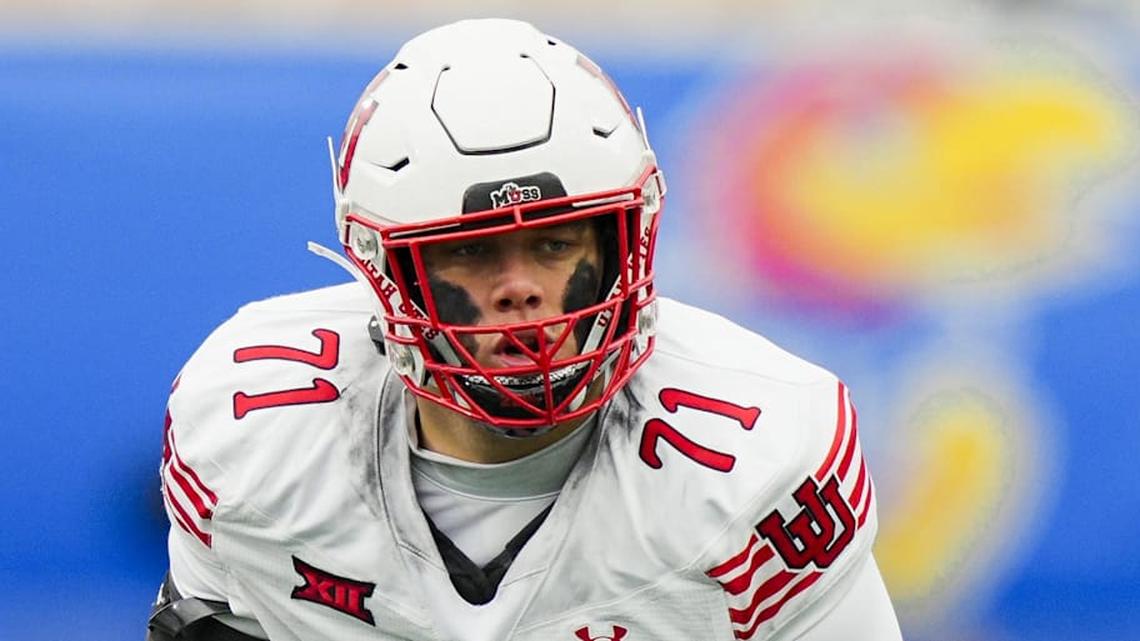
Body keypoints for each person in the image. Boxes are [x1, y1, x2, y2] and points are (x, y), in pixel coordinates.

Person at [147, 18, 902, 641]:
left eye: (556, 243)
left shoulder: (758, 464)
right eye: (471, 251)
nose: (522, 290)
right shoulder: (254, 434)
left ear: (620, 245)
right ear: (384, 267)